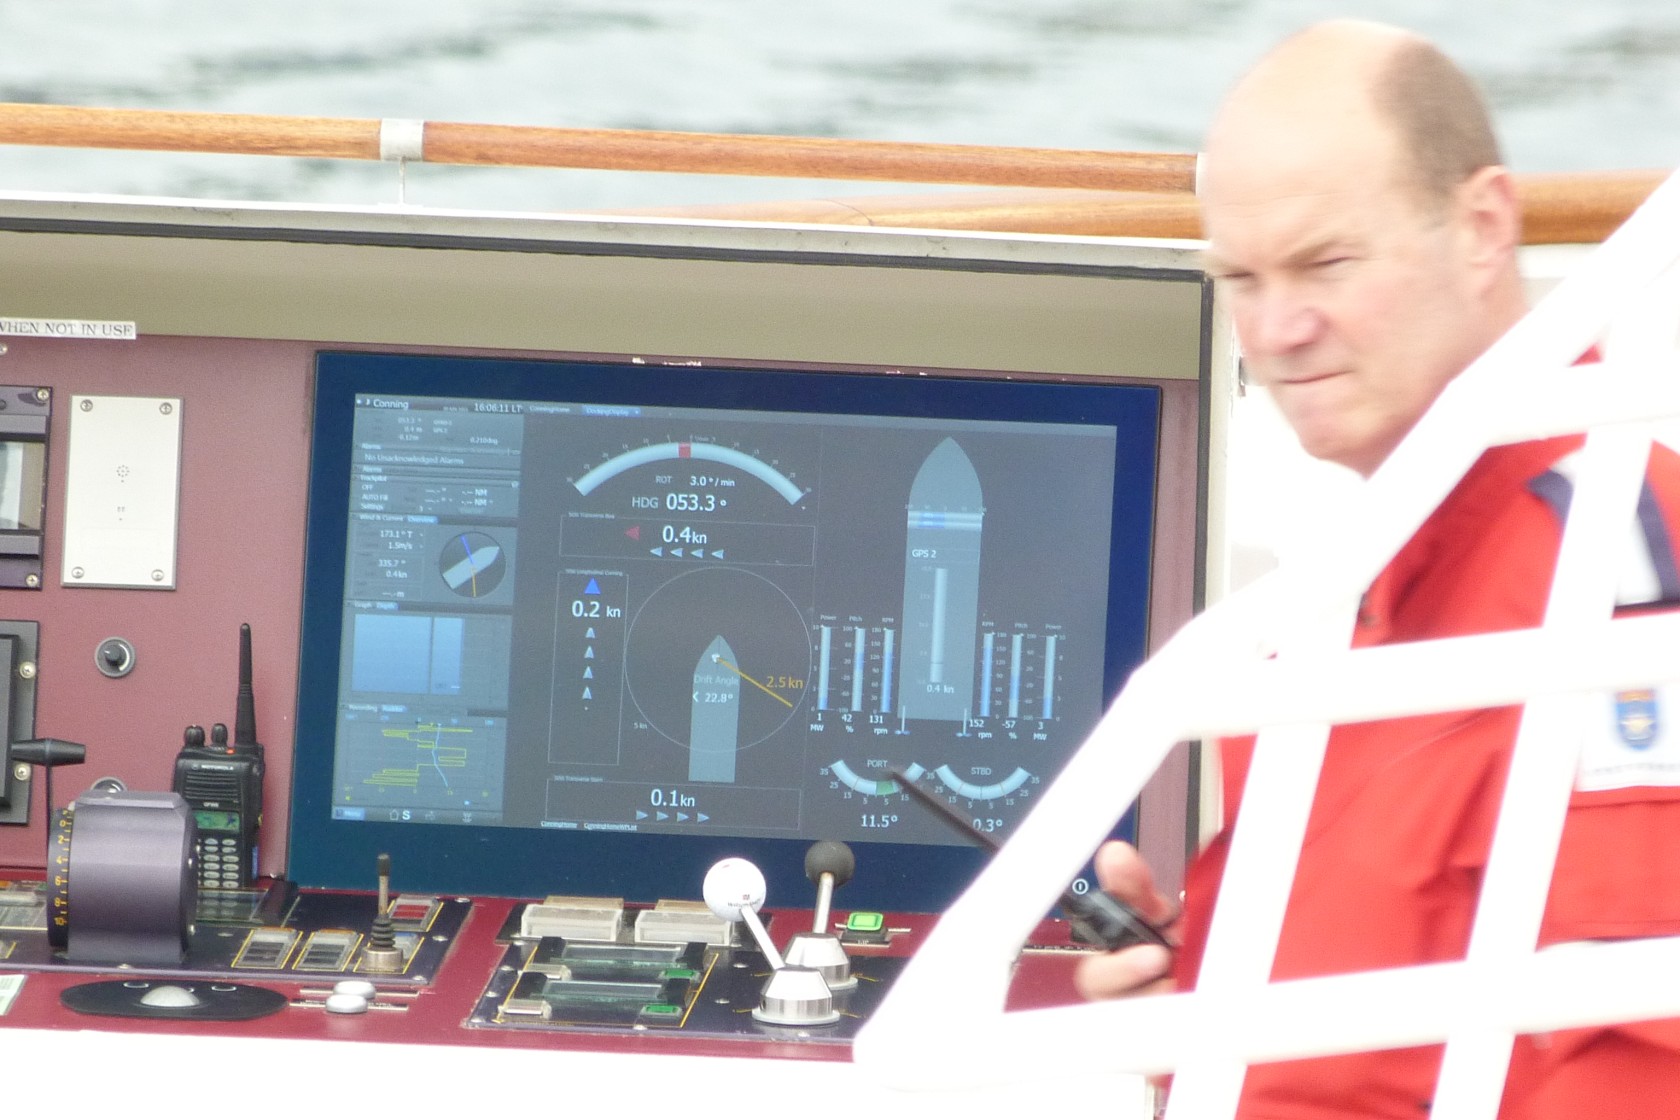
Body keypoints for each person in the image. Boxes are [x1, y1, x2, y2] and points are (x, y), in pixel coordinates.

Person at [1074, 19, 1680, 1119]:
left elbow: (1639, 1068)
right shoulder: (1341, 592)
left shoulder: (1615, 584)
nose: (1277, 329)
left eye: (1327, 263)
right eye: (1242, 278)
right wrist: (1199, 995)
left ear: (1482, 227)